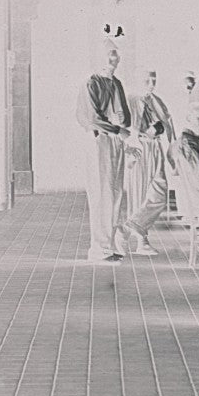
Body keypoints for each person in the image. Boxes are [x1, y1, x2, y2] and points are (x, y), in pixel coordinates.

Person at [76, 38, 132, 262]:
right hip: (99, 143)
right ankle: (99, 249)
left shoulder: (116, 83)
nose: (113, 59)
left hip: (116, 143)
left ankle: (109, 244)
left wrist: (121, 125)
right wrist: (116, 128)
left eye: (116, 55)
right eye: (109, 54)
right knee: (101, 193)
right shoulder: (91, 83)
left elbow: (125, 116)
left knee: (115, 193)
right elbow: (89, 118)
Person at [123, 70, 175, 256]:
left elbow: (167, 123)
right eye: (147, 80)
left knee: (160, 192)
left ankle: (127, 229)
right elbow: (129, 128)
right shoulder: (131, 99)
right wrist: (130, 153)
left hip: (156, 148)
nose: (151, 83)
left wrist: (171, 153)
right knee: (139, 192)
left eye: (154, 79)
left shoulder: (156, 100)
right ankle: (141, 241)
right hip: (140, 149)